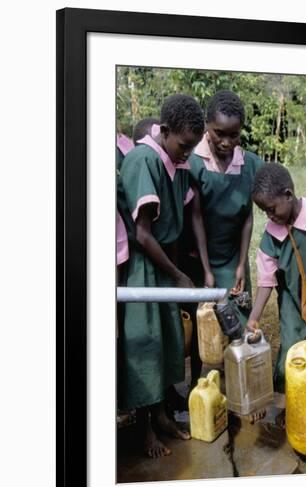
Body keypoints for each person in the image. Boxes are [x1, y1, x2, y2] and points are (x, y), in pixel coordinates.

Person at [117, 94, 209, 458]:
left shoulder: (175, 160)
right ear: (165, 131)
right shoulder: (143, 160)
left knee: (168, 343)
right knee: (145, 347)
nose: (188, 153)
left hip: (164, 268)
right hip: (143, 270)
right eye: (184, 145)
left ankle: (161, 417)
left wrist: (178, 274)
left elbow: (177, 220)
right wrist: (177, 275)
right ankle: (144, 432)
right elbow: (142, 234)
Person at [246, 163, 306, 423]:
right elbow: (266, 281)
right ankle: (294, 406)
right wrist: (254, 317)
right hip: (291, 303)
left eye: (272, 209)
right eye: (264, 211)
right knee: (292, 351)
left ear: (288, 194)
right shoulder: (270, 236)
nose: (269, 216)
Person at [184, 90, 263, 390]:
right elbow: (196, 218)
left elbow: (247, 217)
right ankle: (197, 383)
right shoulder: (193, 163)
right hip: (201, 257)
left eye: (234, 135)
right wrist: (206, 270)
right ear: (206, 126)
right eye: (219, 134)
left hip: (234, 257)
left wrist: (241, 264)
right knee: (202, 323)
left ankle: (239, 384)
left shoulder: (249, 164)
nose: (226, 142)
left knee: (238, 323)